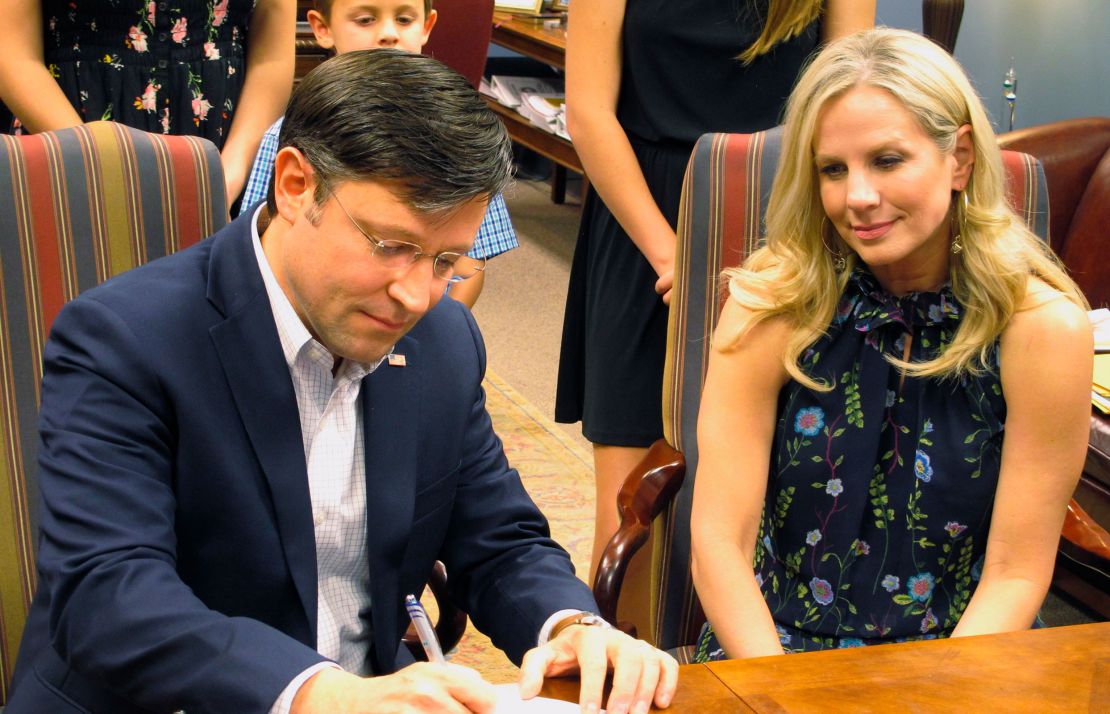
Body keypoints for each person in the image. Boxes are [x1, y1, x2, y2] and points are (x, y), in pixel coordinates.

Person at [7, 50, 677, 713]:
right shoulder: (127, 339)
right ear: (296, 185)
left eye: (446, 260)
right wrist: (320, 694)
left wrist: (572, 627)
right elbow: (111, 594)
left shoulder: (442, 341)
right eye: (391, 245)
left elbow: (499, 540)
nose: (416, 295)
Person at [690, 27, 1093, 659]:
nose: (858, 198)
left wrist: (935, 696)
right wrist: (775, 691)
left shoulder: (1040, 328)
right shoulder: (770, 302)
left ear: (959, 158)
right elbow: (720, 540)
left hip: (961, 659)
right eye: (832, 169)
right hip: (770, 651)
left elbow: (1015, 574)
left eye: (886, 160)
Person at [557, 0, 875, 580]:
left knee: (788, 492)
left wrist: (786, 256)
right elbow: (588, 114)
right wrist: (673, 254)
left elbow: (848, 95)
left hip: (785, 225)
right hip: (644, 220)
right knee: (629, 514)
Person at [237, 0, 518, 309]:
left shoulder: (463, 138)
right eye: (366, 19)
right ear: (322, 28)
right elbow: (262, 242)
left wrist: (428, 330)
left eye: (404, 19)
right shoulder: (290, 132)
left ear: (427, 26)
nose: (388, 34)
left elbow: (469, 268)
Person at [0, 0, 294, 204]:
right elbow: (14, 55)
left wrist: (226, 178)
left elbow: (271, 56)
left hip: (225, 151)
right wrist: (95, 164)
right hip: (71, 149)